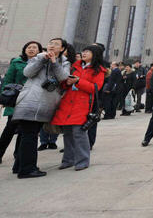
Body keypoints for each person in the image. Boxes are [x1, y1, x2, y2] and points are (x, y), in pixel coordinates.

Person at [12, 38, 71, 178]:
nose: (51, 46)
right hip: (31, 101)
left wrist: (54, 62)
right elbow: (27, 73)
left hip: (46, 103)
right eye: (50, 43)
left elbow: (63, 77)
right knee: (29, 135)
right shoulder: (38, 57)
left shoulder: (64, 62)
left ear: (62, 49)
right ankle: (27, 169)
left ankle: (20, 166)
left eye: (56, 44)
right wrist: (42, 60)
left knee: (29, 135)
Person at [51, 45, 107, 171]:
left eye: (87, 51)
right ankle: (68, 160)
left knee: (79, 133)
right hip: (68, 102)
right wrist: (67, 82)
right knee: (67, 133)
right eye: (83, 51)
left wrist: (78, 81)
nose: (84, 53)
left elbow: (95, 88)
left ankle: (82, 160)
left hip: (83, 103)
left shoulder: (99, 70)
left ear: (95, 54)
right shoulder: (75, 67)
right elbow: (64, 84)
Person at [0, 41, 43, 167]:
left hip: (31, 100)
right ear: (24, 50)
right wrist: (4, 97)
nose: (31, 49)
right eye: (29, 47)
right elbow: (8, 79)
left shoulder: (41, 63)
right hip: (15, 99)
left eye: (34, 48)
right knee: (10, 128)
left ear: (39, 51)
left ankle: (18, 155)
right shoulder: (17, 62)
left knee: (25, 130)